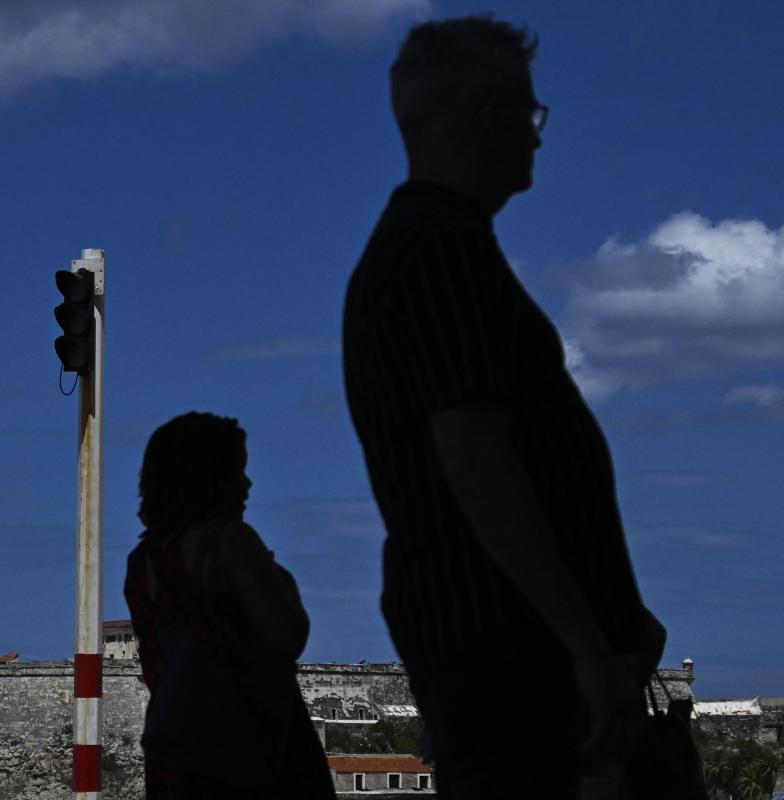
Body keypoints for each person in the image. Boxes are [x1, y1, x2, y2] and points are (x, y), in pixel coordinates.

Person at [341, 16, 666, 798]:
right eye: (529, 113)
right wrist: (584, 641)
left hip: (494, 641)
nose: (538, 137)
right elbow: (476, 456)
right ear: (490, 117)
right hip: (507, 648)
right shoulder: (442, 252)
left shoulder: (423, 248)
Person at [124, 412, 334, 800]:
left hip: (177, 752)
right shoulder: (230, 542)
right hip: (251, 743)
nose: (247, 485)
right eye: (237, 472)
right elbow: (289, 634)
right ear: (210, 480)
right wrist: (273, 572)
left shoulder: (142, 563)